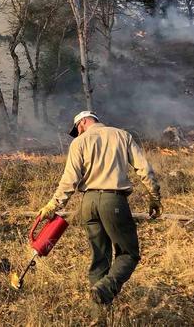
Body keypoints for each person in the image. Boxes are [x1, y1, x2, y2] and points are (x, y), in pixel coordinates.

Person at [37, 111, 162, 306]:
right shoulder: (122, 135)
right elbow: (143, 168)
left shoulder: (79, 143)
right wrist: (154, 196)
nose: (78, 133)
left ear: (83, 123)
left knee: (100, 258)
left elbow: (69, 180)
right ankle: (104, 289)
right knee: (129, 254)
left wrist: (53, 204)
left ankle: (99, 312)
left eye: (77, 129)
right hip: (114, 202)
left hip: (88, 203)